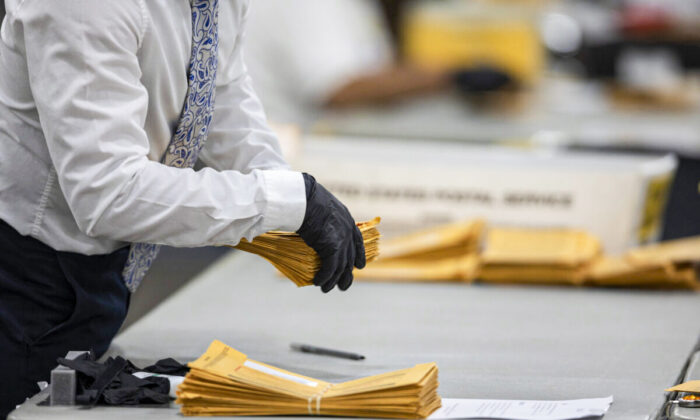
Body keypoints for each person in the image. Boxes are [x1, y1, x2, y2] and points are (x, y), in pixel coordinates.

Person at [0, 0, 364, 416]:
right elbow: (109, 194)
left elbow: (220, 94)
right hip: (26, 281)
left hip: (103, 271)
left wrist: (284, 191)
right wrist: (284, 201)